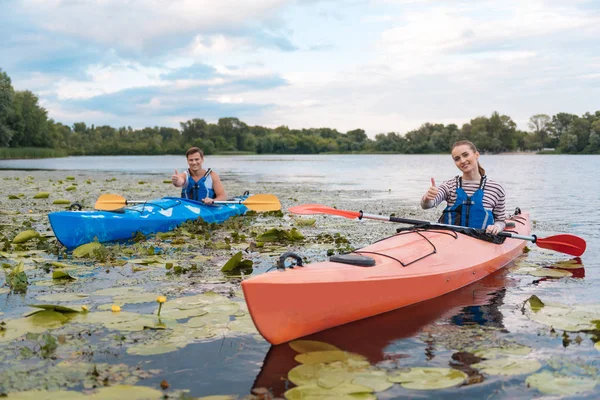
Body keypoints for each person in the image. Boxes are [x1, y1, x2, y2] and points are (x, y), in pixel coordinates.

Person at [421, 140, 506, 235]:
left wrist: (496, 227)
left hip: (482, 240)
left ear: (476, 155)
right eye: (457, 159)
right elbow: (426, 205)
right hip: (450, 238)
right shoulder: (449, 186)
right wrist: (427, 198)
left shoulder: (496, 188)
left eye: (465, 155)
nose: (462, 161)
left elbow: (501, 220)